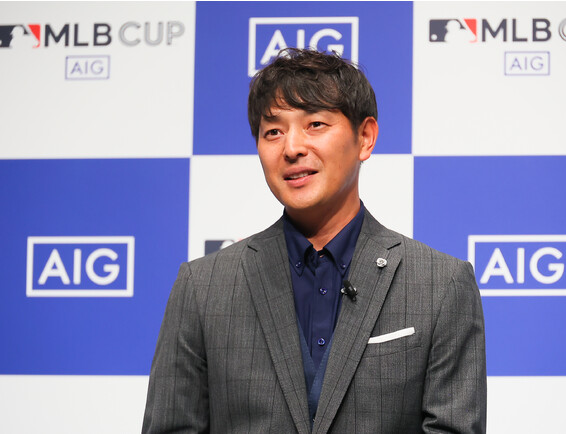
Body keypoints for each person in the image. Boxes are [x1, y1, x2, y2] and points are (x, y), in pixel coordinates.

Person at [143, 48, 486, 434]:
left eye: (315, 124)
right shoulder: (203, 286)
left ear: (365, 137)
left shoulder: (441, 284)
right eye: (273, 132)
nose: (291, 148)